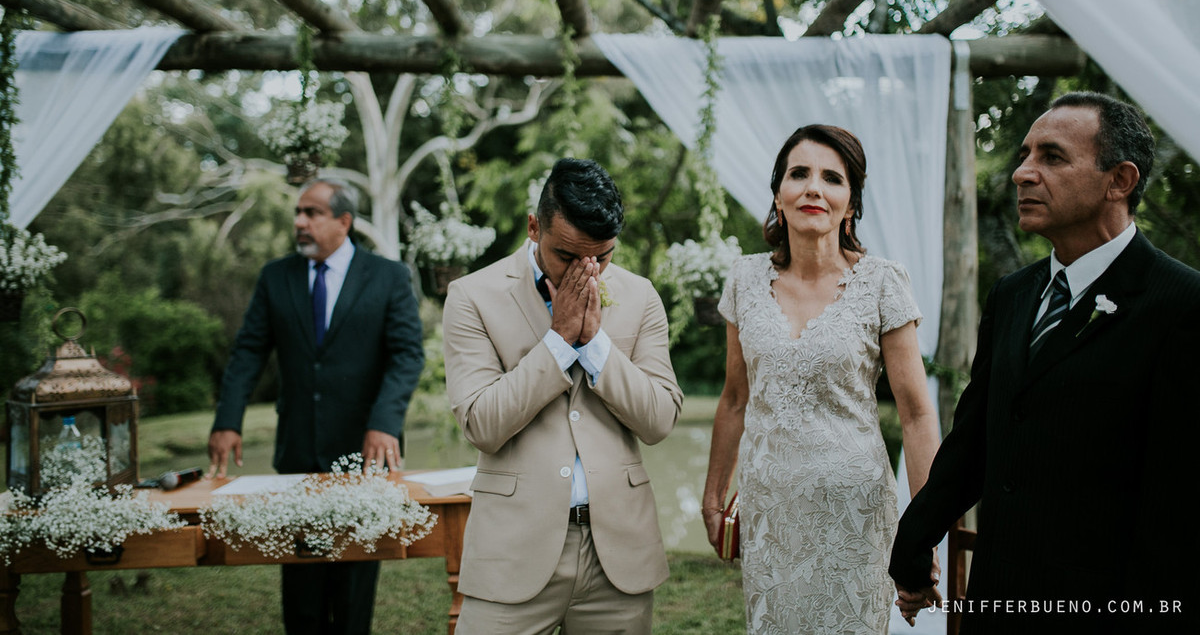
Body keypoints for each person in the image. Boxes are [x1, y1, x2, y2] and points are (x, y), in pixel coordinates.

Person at [889, 93, 1200, 633]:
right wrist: (913, 545)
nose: (1021, 174)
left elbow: (1178, 504)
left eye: (1051, 157)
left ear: (1119, 181)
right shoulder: (1013, 294)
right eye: (1025, 154)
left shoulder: (1183, 304)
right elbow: (975, 441)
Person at [702, 124, 941, 634]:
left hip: (853, 515)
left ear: (850, 203)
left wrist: (924, 532)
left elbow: (917, 414)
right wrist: (712, 495)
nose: (814, 187)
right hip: (771, 511)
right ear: (778, 195)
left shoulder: (882, 282)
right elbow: (735, 398)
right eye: (799, 174)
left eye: (832, 177)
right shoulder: (744, 280)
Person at [442, 158, 683, 635]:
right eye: (568, 257)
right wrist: (557, 342)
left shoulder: (641, 297)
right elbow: (481, 424)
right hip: (512, 551)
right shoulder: (472, 296)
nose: (586, 272)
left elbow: (658, 420)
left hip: (618, 557)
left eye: (602, 257)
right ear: (535, 227)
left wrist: (596, 346)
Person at [206, 178, 425, 635]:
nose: (299, 222)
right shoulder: (276, 276)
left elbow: (407, 354)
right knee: (302, 596)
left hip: (365, 456)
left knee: (352, 597)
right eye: (298, 213)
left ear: (344, 221)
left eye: (312, 213)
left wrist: (384, 423)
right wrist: (228, 421)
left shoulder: (388, 276)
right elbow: (248, 351)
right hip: (298, 453)